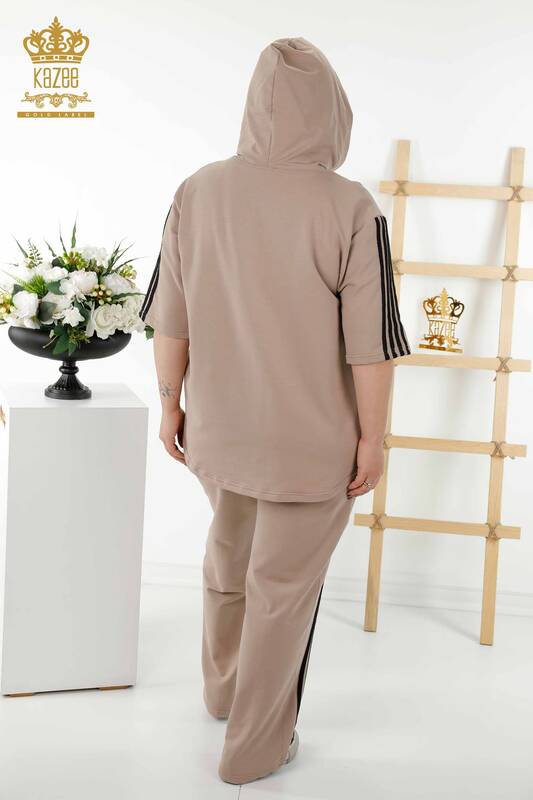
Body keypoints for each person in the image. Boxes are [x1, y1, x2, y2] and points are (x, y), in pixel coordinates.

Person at [141, 36, 410, 785]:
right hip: (309, 446)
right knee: (282, 592)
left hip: (218, 432)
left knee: (229, 562)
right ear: (330, 113)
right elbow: (371, 347)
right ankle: (254, 752)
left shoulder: (197, 191)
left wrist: (170, 406)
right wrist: (373, 440)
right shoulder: (350, 207)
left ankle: (223, 694)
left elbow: (170, 321)